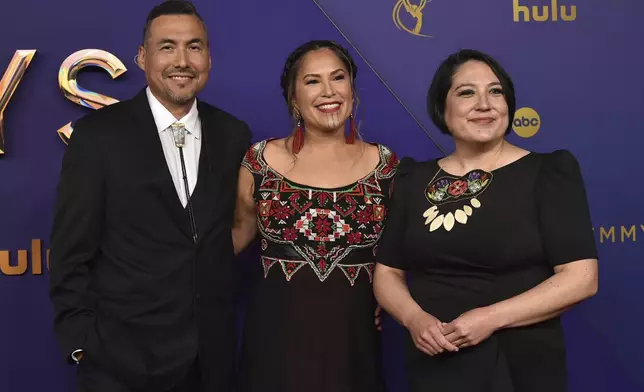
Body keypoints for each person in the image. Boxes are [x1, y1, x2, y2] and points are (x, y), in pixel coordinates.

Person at [48, 2, 251, 391]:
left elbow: (230, 231)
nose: (182, 60)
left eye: (194, 46)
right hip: (120, 366)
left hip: (211, 365)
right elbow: (70, 250)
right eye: (167, 47)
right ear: (142, 57)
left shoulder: (233, 134)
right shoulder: (97, 136)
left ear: (208, 56)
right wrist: (82, 344)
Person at [373, 49, 599, 392]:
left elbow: (582, 278)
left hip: (519, 363)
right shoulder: (412, 178)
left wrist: (489, 319)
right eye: (467, 93)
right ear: (442, 109)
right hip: (435, 362)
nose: (485, 103)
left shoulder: (549, 171)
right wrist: (414, 319)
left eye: (495, 92)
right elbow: (388, 273)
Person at [232, 40, 398, 392]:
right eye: (312, 81)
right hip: (274, 344)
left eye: (338, 78)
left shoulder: (385, 166)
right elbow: (235, 235)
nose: (328, 91)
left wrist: (393, 295)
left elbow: (400, 254)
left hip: (353, 345)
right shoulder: (260, 161)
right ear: (293, 98)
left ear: (352, 90)